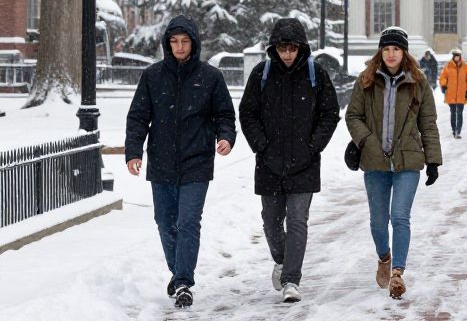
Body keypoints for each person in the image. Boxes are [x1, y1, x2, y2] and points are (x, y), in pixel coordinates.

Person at [125, 15, 236, 309]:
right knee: (165, 222)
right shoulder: (152, 77)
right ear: (167, 44)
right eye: (174, 41)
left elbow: (225, 114)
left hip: (197, 160)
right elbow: (138, 116)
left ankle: (184, 281)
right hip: (160, 161)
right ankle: (179, 273)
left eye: (185, 41)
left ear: (194, 43)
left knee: (187, 221)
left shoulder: (211, 78)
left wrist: (226, 137)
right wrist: (134, 151)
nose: (179, 46)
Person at [238, 18, 341, 303]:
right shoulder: (262, 73)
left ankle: (291, 280)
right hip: (269, 162)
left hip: (304, 163)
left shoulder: (315, 74)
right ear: (275, 48)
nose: (287, 54)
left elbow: (329, 113)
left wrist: (314, 146)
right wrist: (261, 145)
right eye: (282, 48)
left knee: (297, 221)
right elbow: (247, 113)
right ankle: (282, 261)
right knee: (270, 221)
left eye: (292, 48)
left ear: (301, 48)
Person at [345, 26, 442, 300]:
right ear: (380, 51)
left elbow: (428, 124)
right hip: (374, 161)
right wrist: (367, 141)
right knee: (378, 221)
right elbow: (353, 116)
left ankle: (397, 273)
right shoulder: (366, 80)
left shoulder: (418, 81)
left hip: (407, 161)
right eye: (386, 49)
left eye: (396, 49)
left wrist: (433, 160)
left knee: (400, 217)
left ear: (404, 52)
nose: (390, 54)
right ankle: (384, 258)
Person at [439, 48, 467, 138]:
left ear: (460, 57)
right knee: (453, 113)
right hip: (451, 93)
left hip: (461, 93)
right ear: (453, 57)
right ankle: (453, 129)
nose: (457, 58)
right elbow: (442, 77)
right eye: (455, 56)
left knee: (459, 113)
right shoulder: (448, 67)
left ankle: (458, 131)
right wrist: (444, 85)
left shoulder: (465, 66)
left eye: (458, 56)